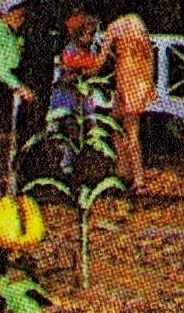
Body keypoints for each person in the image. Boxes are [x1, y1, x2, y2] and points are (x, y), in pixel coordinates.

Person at [62, 11, 155, 192]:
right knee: (116, 124)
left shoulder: (114, 28)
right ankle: (123, 170)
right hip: (141, 79)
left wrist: (80, 71)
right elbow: (149, 54)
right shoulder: (138, 22)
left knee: (129, 131)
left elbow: (100, 62)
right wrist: (150, 82)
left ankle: (137, 178)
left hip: (127, 80)